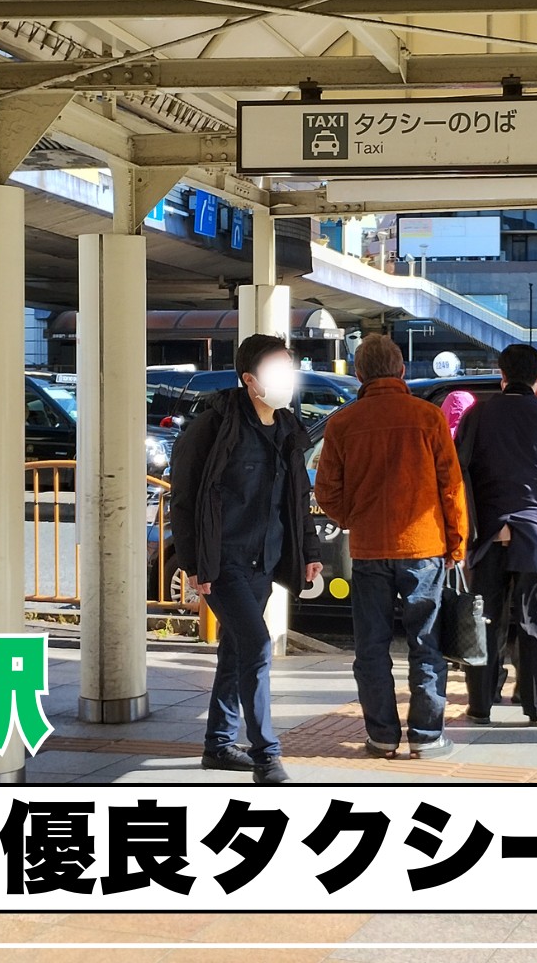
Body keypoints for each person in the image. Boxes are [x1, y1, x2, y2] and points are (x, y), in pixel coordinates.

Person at [168, 334, 323, 785]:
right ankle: (266, 756)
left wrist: (308, 553)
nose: (285, 380)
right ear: (249, 379)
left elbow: (297, 498)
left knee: (237, 648)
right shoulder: (213, 428)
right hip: (224, 561)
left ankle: (217, 744)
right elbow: (184, 498)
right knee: (256, 645)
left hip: (264, 560)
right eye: (275, 371)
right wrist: (195, 563)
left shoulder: (288, 428)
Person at [315, 335, 468, 759]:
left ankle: (382, 735)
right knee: (426, 644)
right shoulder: (429, 418)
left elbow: (326, 490)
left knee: (371, 647)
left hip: (368, 550)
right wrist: (456, 543)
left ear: (360, 374)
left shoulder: (342, 423)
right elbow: (451, 487)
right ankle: (426, 735)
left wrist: (355, 518)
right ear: (401, 370)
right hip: (424, 548)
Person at [455, 344, 537, 726]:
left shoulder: (477, 416)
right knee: (535, 618)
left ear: (502, 376)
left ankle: (480, 704)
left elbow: (459, 471)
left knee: (486, 618)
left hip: (490, 532)